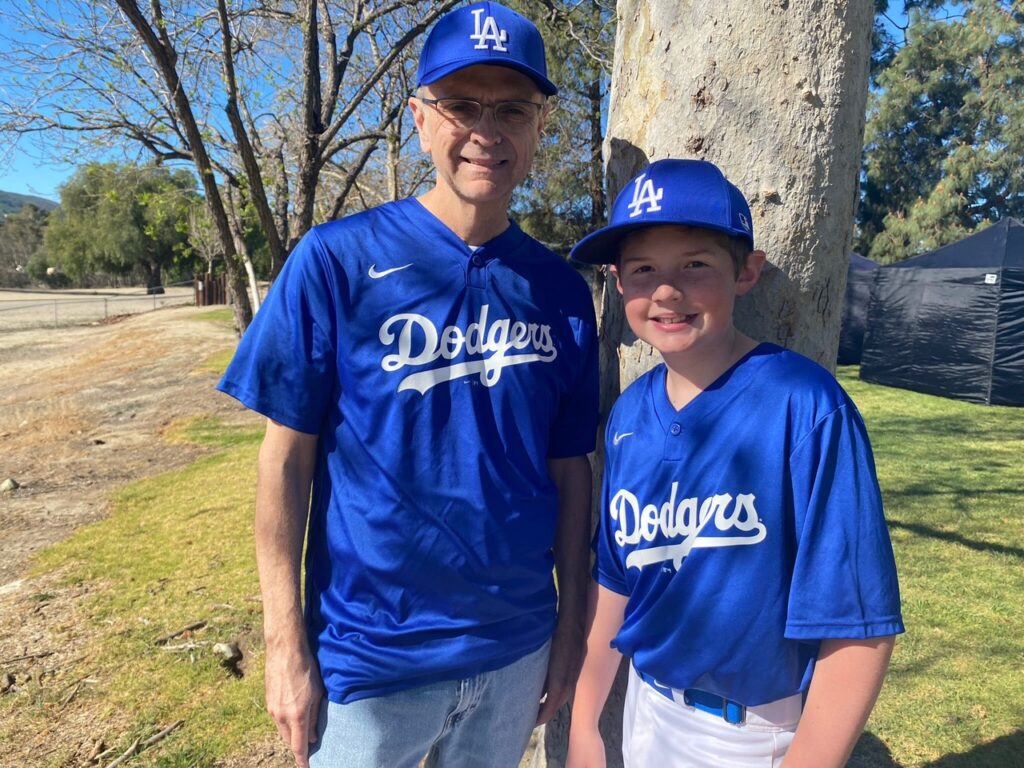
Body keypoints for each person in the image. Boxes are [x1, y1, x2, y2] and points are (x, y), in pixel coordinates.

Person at [217, 4, 599, 767]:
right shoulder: (336, 262)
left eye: (512, 109)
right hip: (371, 659)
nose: (486, 130)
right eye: (461, 105)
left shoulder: (559, 289)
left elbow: (570, 470)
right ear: (420, 119)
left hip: (514, 650)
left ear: (538, 130)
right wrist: (283, 645)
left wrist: (570, 631)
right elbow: (283, 460)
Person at [565, 159, 904, 768]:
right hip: (647, 709)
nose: (666, 291)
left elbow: (858, 621)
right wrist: (586, 719)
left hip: (754, 734)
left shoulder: (804, 405)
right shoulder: (628, 417)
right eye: (643, 269)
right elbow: (617, 576)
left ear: (746, 271)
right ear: (619, 284)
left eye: (695, 264)